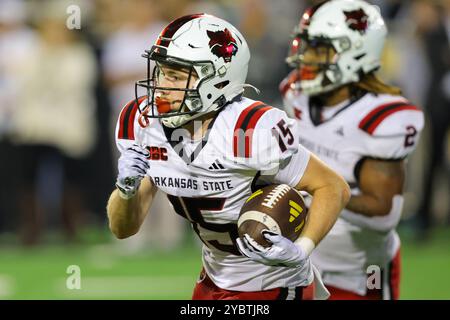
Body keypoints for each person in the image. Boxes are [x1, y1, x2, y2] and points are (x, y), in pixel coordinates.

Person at [106, 13, 350, 300]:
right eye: (160, 71)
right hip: (212, 279)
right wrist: (126, 189)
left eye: (176, 75)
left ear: (217, 81)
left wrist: (302, 249)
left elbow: (333, 187)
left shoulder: (250, 129)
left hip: (273, 283)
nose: (161, 84)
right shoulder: (144, 122)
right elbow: (123, 229)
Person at [280, 0, 424, 300]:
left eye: (318, 49)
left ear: (354, 53)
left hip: (360, 271)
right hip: (302, 260)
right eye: (305, 47)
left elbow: (383, 215)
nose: (305, 58)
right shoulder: (297, 97)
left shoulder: (384, 119)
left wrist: (322, 193)